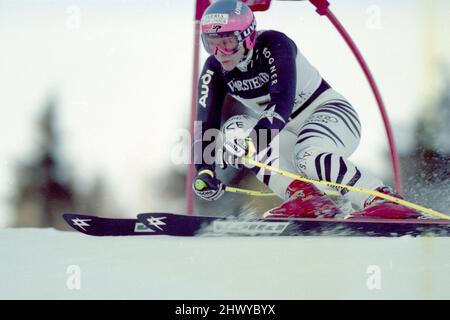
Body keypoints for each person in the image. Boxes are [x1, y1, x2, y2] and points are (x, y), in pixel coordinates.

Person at [192, 0, 420, 219]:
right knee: (234, 130)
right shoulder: (214, 68)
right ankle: (306, 197)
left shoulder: (274, 44)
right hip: (286, 131)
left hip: (332, 115)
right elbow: (205, 125)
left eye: (228, 42)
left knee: (307, 156)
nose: (219, 52)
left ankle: (380, 197)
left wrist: (252, 144)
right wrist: (204, 171)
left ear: (248, 36)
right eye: (211, 43)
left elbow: (281, 103)